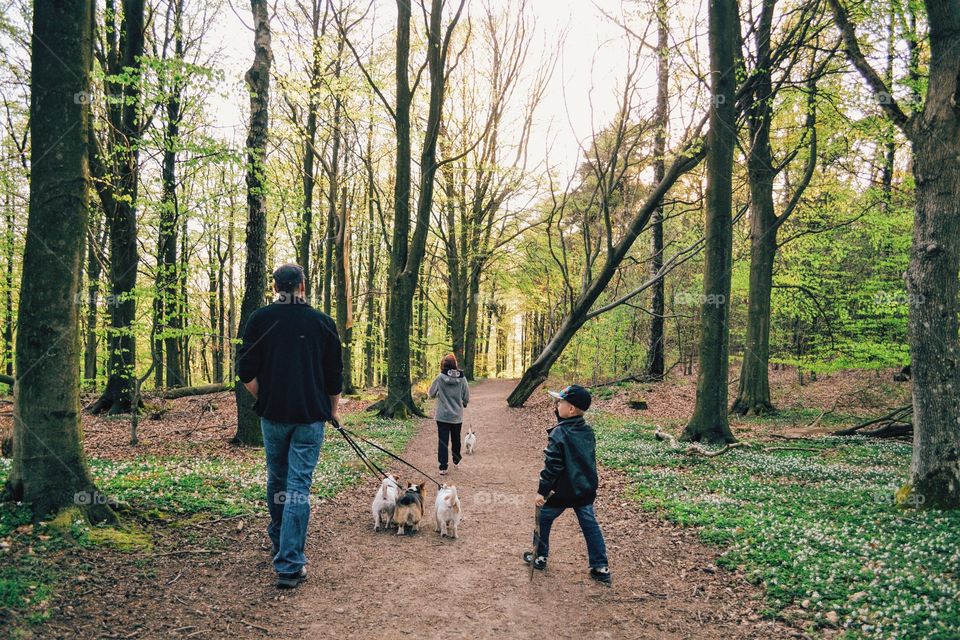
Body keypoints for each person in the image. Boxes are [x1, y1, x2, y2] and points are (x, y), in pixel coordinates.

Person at [236, 263, 343, 589]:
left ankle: (282, 543)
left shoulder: (261, 319)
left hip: (275, 416)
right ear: (302, 286)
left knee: (279, 480)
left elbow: (244, 370)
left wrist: (265, 395)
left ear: (275, 286)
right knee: (296, 486)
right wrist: (333, 411)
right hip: (310, 417)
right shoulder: (322, 323)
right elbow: (334, 377)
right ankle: (289, 561)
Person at [523, 384, 611, 585]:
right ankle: (600, 565)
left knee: (543, 517)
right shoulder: (587, 430)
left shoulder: (558, 433)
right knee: (590, 525)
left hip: (561, 492)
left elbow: (552, 466)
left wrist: (542, 492)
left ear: (571, 409)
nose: (556, 404)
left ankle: (540, 556)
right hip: (584, 490)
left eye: (560, 402)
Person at [427, 353, 469, 476]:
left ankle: (443, 467)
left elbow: (431, 393)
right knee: (456, 439)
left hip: (442, 416)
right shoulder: (462, 378)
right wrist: (464, 403)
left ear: (443, 365)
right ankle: (456, 459)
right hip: (457, 416)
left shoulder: (440, 378)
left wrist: (437, 394)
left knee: (443, 441)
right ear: (455, 364)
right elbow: (466, 395)